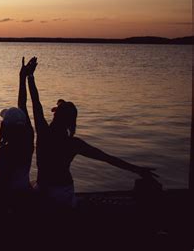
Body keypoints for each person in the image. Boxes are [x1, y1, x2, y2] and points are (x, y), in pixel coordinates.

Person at [25, 56, 158, 208]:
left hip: (46, 191)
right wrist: (138, 170)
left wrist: (30, 75)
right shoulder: (73, 144)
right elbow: (107, 158)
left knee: (32, 185)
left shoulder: (43, 132)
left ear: (55, 115)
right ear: (70, 123)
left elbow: (36, 101)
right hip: (64, 192)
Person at [0, 57, 35, 209]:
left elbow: (3, 184)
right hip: (24, 191)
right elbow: (23, 106)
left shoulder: (7, 151)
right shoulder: (28, 143)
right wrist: (25, 77)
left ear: (4, 127)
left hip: (8, 196)